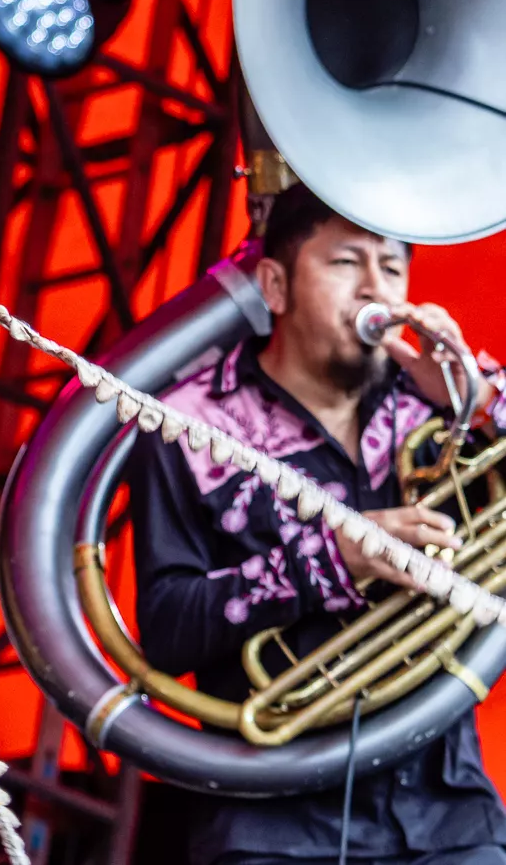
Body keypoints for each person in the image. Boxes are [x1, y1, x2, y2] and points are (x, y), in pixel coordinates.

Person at [131, 182, 506, 865]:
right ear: (275, 286)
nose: (375, 290)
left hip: (448, 815)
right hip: (271, 827)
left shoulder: (438, 405)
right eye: (345, 262)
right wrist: (334, 559)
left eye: (391, 267)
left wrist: (477, 399)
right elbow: (166, 629)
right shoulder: (188, 424)